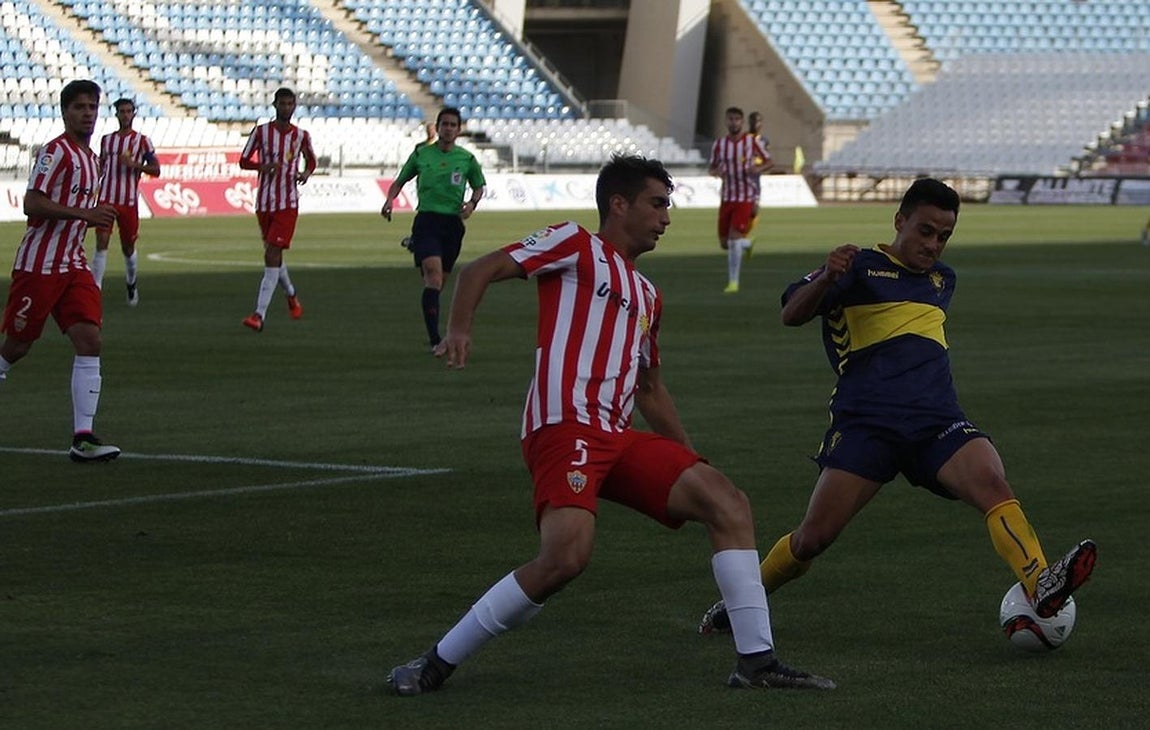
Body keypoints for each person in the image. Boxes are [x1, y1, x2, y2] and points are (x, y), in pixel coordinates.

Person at [387, 155, 834, 696]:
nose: (666, 218)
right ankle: (436, 662)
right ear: (619, 205)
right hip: (564, 426)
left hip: (615, 436)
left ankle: (756, 664)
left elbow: (649, 389)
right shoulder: (574, 244)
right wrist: (459, 328)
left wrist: (690, 461)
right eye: (657, 204)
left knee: (726, 501)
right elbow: (483, 269)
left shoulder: (648, 295)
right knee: (566, 558)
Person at [697, 178, 1096, 635]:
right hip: (869, 426)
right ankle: (739, 603)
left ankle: (1040, 581)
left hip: (937, 422)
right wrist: (828, 277)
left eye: (944, 235)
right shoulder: (857, 267)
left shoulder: (944, 279)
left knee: (991, 483)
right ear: (899, 220)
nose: (934, 244)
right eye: (925, 231)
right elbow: (791, 313)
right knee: (813, 538)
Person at [0, 79, 121, 462]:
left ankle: (82, 438)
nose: (87, 113)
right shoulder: (56, 152)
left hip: (72, 263)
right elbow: (32, 203)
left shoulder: (93, 159)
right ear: (65, 112)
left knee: (90, 340)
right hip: (40, 264)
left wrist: (91, 219)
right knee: (17, 347)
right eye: (79, 107)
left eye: (91, 107)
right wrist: (86, 214)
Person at [380, 107, 486, 350]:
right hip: (427, 220)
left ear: (458, 130)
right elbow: (400, 181)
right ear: (437, 128)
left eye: (452, 125)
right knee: (433, 275)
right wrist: (389, 200)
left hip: (453, 225)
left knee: (438, 283)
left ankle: (416, 246)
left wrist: (471, 203)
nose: (448, 128)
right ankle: (435, 341)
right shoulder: (421, 154)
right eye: (444, 124)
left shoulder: (466, 159)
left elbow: (479, 186)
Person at [239, 87, 317, 332]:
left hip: (287, 203)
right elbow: (243, 160)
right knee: (274, 255)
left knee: (271, 254)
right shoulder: (261, 132)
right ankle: (291, 295)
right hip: (264, 202)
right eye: (282, 104)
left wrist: (305, 172)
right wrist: (263, 165)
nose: (286, 108)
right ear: (274, 105)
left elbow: (311, 160)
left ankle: (258, 315)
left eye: (290, 104)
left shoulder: (301, 135)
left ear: (294, 107)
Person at [92, 97, 160, 305]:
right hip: (106, 199)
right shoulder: (106, 140)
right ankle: (94, 291)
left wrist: (134, 165)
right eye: (122, 111)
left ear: (134, 113)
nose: (125, 115)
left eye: (129, 111)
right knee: (101, 242)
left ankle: (131, 283)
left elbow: (156, 170)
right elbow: (101, 166)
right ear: (116, 114)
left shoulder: (142, 141)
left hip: (128, 201)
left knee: (127, 247)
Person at [708, 106, 771, 294]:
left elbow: (769, 161)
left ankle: (733, 282)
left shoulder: (751, 142)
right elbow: (711, 168)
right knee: (725, 243)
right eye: (730, 119)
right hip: (727, 197)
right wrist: (716, 172)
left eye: (737, 119)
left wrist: (757, 169)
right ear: (726, 121)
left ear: (742, 122)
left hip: (746, 196)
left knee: (734, 237)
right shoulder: (719, 144)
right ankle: (748, 244)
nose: (733, 122)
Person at [745, 111, 770, 238]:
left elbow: (767, 159)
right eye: (753, 121)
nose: (756, 124)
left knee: (754, 211)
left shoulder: (764, 140)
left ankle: (744, 237)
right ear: (749, 122)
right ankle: (741, 239)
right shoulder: (744, 139)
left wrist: (759, 167)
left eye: (759, 121)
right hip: (743, 180)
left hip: (756, 180)